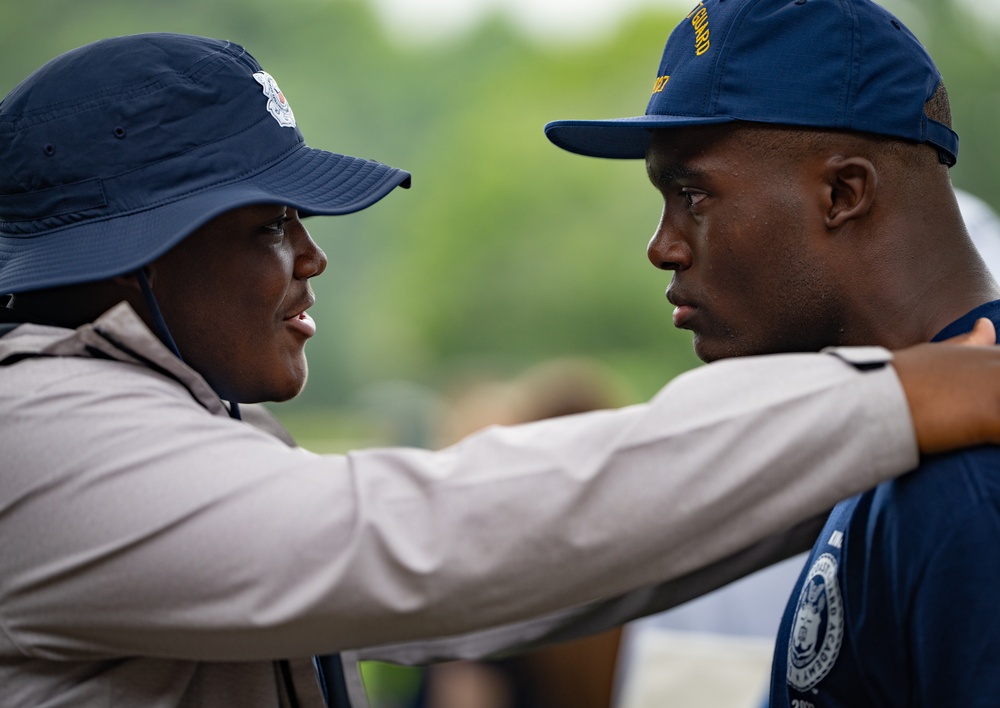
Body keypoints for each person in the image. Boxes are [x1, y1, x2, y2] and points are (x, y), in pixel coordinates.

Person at [1, 32, 999, 708]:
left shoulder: (143, 417)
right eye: (270, 223)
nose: (311, 257)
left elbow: (498, 596)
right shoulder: (36, 435)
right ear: (138, 250)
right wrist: (898, 401)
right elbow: (424, 544)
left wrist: (857, 443)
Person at [544, 0, 1000, 704]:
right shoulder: (894, 418)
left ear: (843, 192)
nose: (660, 246)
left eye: (692, 195)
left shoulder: (973, 469)